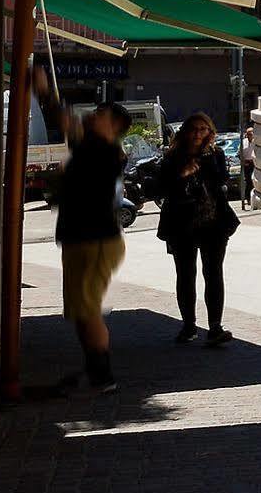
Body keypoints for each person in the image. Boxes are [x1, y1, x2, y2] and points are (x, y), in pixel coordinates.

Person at [33, 64, 131, 392]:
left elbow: (66, 120)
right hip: (83, 238)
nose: (93, 115)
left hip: (95, 240)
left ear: (113, 126)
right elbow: (68, 122)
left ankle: (104, 376)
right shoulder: (92, 146)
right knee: (80, 309)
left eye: (101, 113)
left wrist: (46, 93)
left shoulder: (103, 150)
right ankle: (94, 370)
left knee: (87, 310)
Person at [150, 111, 241, 346]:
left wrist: (205, 165)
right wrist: (182, 174)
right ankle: (189, 326)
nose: (199, 134)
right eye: (194, 129)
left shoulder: (216, 154)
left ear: (210, 133)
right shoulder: (172, 157)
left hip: (213, 223)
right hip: (182, 224)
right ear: (185, 131)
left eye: (204, 129)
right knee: (185, 275)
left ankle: (215, 327)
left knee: (213, 274)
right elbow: (159, 189)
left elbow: (221, 180)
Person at [239, 124, 257, 211]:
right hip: (246, 164)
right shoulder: (243, 142)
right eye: (248, 133)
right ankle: (248, 198)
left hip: (254, 163)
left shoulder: (256, 142)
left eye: (251, 133)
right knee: (248, 181)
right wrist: (243, 162)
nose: (249, 135)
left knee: (254, 180)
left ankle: (253, 197)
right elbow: (240, 153)